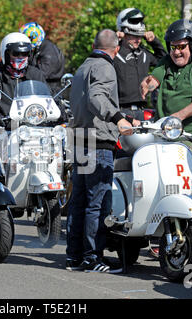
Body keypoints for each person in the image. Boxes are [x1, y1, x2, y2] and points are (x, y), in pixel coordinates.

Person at [66, 29, 136, 273]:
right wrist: (117, 118)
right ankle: (92, 257)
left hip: (80, 139)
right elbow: (96, 99)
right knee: (98, 202)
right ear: (115, 50)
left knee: (79, 201)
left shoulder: (83, 67)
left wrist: (124, 116)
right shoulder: (105, 67)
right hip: (97, 143)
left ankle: (74, 257)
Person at [140, 19, 192, 193]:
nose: (177, 52)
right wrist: (147, 83)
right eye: (173, 47)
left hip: (191, 138)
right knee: (163, 187)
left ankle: (191, 220)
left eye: (182, 47)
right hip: (165, 136)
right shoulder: (166, 62)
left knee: (188, 189)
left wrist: (179, 116)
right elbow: (155, 79)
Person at [0, 32, 46, 122]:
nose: (21, 57)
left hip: (33, 124)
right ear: (6, 55)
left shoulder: (35, 74)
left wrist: (59, 108)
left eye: (24, 53)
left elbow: (49, 96)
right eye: (16, 53)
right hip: (6, 128)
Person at [114, 8, 167, 120]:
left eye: (140, 36)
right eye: (134, 35)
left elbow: (164, 60)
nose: (138, 40)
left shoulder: (143, 53)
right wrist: (114, 40)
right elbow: (99, 56)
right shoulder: (115, 52)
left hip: (141, 111)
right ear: (123, 33)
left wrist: (154, 41)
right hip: (120, 111)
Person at [19, 22, 65, 92]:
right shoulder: (37, 49)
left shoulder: (49, 51)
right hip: (37, 88)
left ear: (33, 38)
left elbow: (41, 74)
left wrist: (22, 74)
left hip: (51, 92)